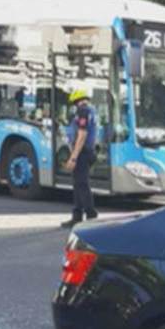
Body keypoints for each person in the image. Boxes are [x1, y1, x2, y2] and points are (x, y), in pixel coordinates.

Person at [60, 89, 97, 228]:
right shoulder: (92, 110)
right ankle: (78, 215)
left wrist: (73, 158)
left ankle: (90, 215)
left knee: (81, 184)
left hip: (82, 152)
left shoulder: (82, 112)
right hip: (88, 150)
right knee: (78, 184)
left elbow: (82, 135)